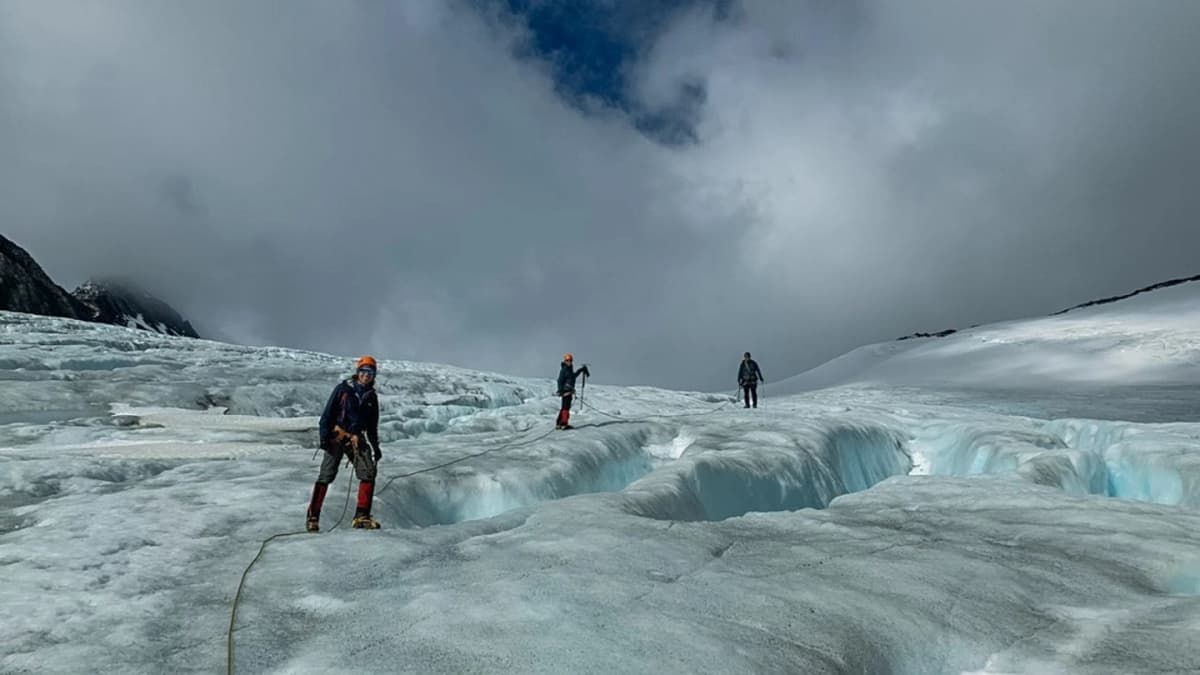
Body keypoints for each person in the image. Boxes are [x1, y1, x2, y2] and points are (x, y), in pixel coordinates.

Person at [305, 355, 383, 531]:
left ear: (374, 375)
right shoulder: (343, 389)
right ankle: (313, 517)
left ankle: (361, 516)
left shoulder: (371, 397)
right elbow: (327, 415)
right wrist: (324, 438)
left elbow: (372, 426)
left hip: (356, 438)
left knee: (368, 472)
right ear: (358, 372)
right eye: (363, 371)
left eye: (370, 372)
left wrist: (375, 447)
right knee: (326, 475)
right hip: (337, 435)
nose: (366, 375)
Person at [555, 353, 590, 430]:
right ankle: (563, 423)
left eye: (570, 360)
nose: (569, 362)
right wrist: (560, 390)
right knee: (565, 408)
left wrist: (580, 370)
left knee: (565, 407)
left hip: (569, 391)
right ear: (565, 361)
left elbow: (573, 377)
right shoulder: (564, 370)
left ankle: (559, 423)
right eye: (567, 360)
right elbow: (560, 380)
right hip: (565, 391)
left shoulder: (569, 369)